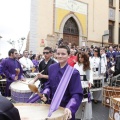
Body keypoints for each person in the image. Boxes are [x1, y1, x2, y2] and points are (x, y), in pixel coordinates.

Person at [41, 45, 83, 120]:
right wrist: (45, 93)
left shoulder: (73, 73)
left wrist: (70, 107)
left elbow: (77, 94)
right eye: (58, 53)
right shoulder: (51, 68)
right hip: (51, 107)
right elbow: (48, 84)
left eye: (63, 54)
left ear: (68, 55)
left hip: (65, 109)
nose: (60, 56)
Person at [74, 52, 93, 120]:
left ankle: (85, 117)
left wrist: (90, 81)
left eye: (82, 57)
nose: (80, 59)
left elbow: (90, 75)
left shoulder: (87, 65)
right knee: (78, 102)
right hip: (78, 85)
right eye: (79, 57)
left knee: (86, 102)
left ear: (84, 58)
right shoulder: (76, 65)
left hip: (85, 86)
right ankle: (77, 116)